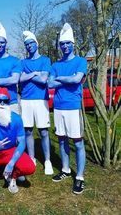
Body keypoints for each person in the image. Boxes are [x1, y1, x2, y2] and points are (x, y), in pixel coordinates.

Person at [48, 23, 87, 194]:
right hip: (58, 107)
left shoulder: (80, 61)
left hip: (72, 107)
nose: (64, 46)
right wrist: (67, 78)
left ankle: (79, 177)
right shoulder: (55, 64)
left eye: (67, 43)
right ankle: (65, 169)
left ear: (73, 44)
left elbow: (77, 79)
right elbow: (49, 82)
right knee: (62, 139)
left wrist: (61, 79)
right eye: (62, 44)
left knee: (77, 142)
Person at [20, 31, 53, 175]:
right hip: (26, 99)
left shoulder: (45, 60)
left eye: (31, 43)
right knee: (28, 130)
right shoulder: (22, 62)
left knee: (43, 131)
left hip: (41, 99)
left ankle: (47, 161)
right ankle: (31, 158)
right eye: (27, 44)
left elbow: (43, 79)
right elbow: (19, 79)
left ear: (36, 44)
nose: (29, 46)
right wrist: (35, 73)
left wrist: (28, 75)